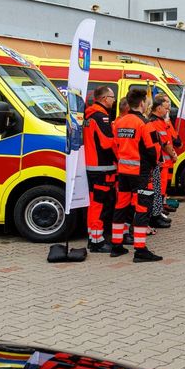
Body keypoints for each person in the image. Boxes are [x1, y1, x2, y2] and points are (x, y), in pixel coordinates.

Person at [111, 88, 163, 262]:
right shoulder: (145, 124)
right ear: (142, 103)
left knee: (121, 207)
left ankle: (116, 245)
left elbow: (115, 146)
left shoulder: (119, 122)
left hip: (123, 172)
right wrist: (155, 164)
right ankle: (140, 250)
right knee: (142, 209)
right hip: (141, 174)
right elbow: (153, 150)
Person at [84, 86, 117, 253]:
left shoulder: (89, 116)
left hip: (94, 167)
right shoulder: (101, 117)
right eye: (112, 97)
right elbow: (106, 142)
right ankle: (97, 241)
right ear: (105, 98)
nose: (114, 100)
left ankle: (94, 237)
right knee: (99, 205)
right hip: (102, 168)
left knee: (95, 203)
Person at [146, 94, 174, 229]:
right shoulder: (154, 122)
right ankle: (154, 217)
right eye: (165, 106)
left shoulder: (160, 121)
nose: (167, 109)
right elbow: (164, 142)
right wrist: (172, 154)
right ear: (158, 108)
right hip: (157, 161)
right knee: (156, 190)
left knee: (159, 190)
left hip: (159, 161)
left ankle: (157, 214)